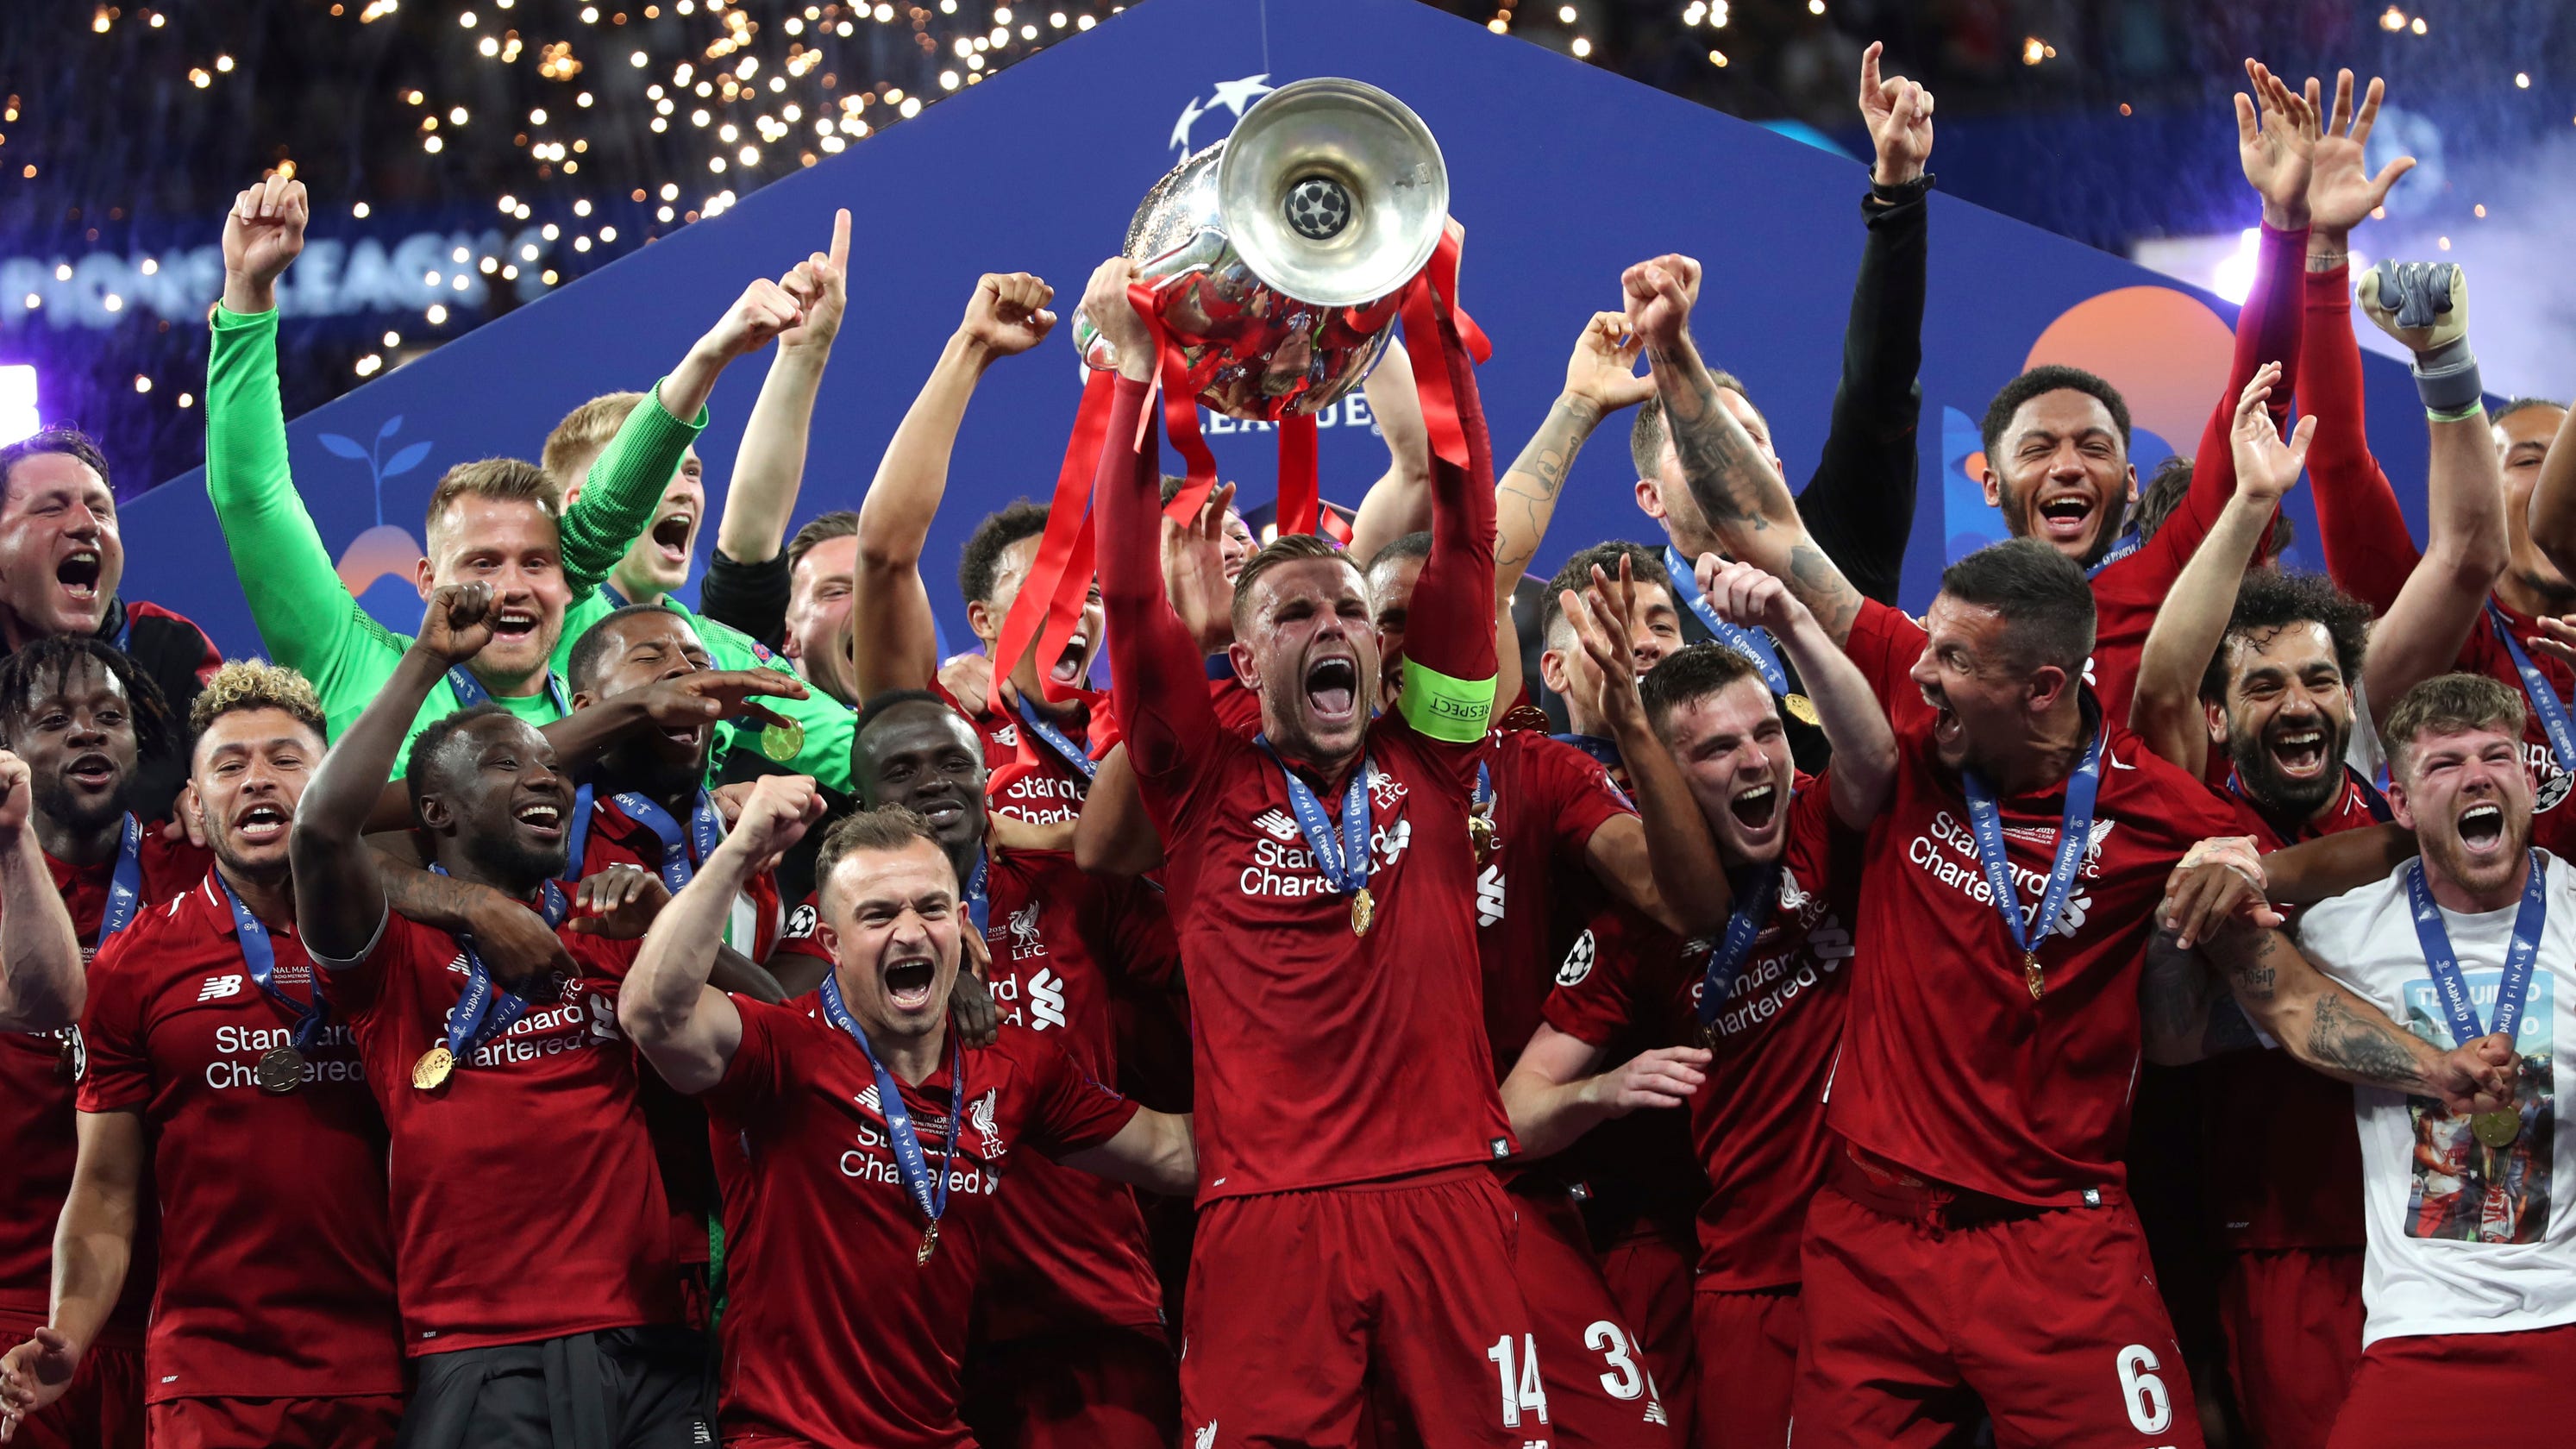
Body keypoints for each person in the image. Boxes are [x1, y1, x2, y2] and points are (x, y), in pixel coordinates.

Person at [1085, 246, 1723, 1445]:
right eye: (1293, 614)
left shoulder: (1434, 757)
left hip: (1449, 1202)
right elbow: (1128, 601)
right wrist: (1129, 374)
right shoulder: (1198, 784)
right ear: (1242, 658)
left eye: (1346, 610)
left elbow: (1466, 534)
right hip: (1266, 1213)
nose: (1331, 626)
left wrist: (1433, 326)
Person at [618, 794, 1196, 1449]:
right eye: (878, 914)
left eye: (930, 908)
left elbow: (1170, 1152)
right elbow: (651, 1014)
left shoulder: (1013, 1068)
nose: (911, 931)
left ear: (961, 924)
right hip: (791, 1436)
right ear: (831, 943)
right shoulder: (781, 1051)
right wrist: (741, 850)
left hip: (938, 1431)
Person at [290, 582, 705, 1449]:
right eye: (507, 765)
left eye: (551, 766)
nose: (546, 777)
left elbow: (770, 1027)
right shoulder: (388, 956)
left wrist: (671, 924)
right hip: (483, 1344)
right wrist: (428, 658)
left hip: (648, 1338)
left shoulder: (605, 929)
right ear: (435, 811)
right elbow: (323, 832)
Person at [205, 171, 803, 771]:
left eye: (536, 563)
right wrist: (248, 294)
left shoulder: (610, 711)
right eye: (483, 563)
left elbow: (613, 506)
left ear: (568, 585)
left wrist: (711, 357)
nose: (513, 587)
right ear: (427, 579)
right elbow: (253, 497)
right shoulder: (356, 665)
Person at [1505, 553, 1896, 1449]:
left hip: (1889, 1252)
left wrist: (1791, 619)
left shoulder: (1821, 824)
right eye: (1719, 749)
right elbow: (1515, 1116)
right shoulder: (1631, 929)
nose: (1756, 760)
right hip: (1750, 1274)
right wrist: (1602, 1091)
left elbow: (1874, 756)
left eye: (1766, 734)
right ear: (1667, 778)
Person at [2126, 359, 2434, 1446]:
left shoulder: (2400, 814)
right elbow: (2159, 683)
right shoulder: (2195, 819)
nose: (2295, 703)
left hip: (2440, 1234)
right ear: (2218, 719)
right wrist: (2251, 502)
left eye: (2316, 681)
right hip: (2279, 1240)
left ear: (2349, 698)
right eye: (2260, 686)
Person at [0, 662, 402, 1447]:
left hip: (393, 1360)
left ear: (332, 787)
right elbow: (106, 1189)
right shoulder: (136, 963)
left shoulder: (398, 945)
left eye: (286, 760)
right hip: (209, 1377)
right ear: (193, 800)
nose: (258, 780)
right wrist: (71, 1331)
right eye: (229, 765)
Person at [2186, 675, 2569, 1445]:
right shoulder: (2345, 930)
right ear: (2398, 802)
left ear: (2529, 784)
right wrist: (2240, 870)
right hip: (2420, 1325)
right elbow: (2246, 1012)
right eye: (2443, 764)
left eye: (2496, 756)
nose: (2476, 776)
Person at [840, 689, 1182, 1449]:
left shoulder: (1071, 887)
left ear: (983, 778)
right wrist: (921, 967)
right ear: (862, 803)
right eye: (901, 770)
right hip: (907, 1332)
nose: (933, 782)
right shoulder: (839, 932)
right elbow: (783, 1026)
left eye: (953, 763)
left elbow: (1219, 967)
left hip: (1085, 1300)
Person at [0, 637, 211, 1449]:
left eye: (108, 717)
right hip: (14, 1310)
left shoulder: (200, 871)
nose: (88, 732)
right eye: (54, 720)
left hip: (170, 1320)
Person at [850, 272, 1106, 825]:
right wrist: (972, 346)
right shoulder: (938, 718)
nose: (1073, 605)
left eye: (1091, 592)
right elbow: (885, 554)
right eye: (1043, 586)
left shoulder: (1131, 733)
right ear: (982, 620)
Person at [0, 428, 222, 820]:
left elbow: (233, 767)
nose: (87, 524)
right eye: (51, 508)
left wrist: (212, 797)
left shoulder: (168, 646)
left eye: (101, 509)